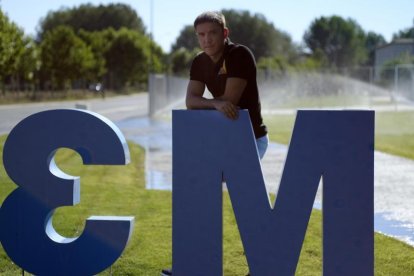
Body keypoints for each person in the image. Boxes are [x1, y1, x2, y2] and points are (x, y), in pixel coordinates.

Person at [161, 11, 268, 276]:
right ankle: (190, 265)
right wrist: (214, 103)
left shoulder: (239, 55)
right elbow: (191, 101)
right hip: (220, 141)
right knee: (200, 198)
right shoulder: (199, 61)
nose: (206, 40)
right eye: (201, 35)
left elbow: (229, 102)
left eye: (212, 33)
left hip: (250, 140)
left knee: (246, 204)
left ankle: (266, 264)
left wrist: (212, 103)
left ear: (225, 33)